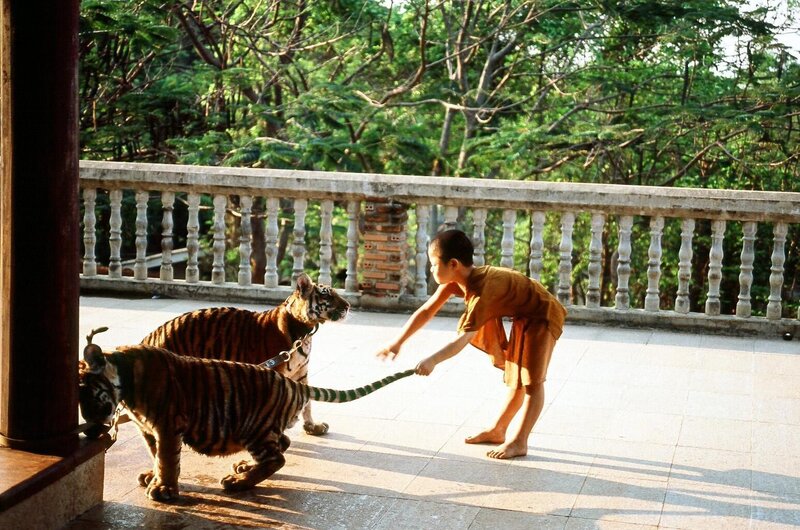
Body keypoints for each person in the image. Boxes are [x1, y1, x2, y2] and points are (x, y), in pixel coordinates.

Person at [377, 229, 567, 459]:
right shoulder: (457, 281)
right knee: (516, 378)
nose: (431, 269)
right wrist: (398, 342)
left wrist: (433, 360)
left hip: (543, 314)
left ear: (453, 264)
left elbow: (463, 340)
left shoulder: (482, 293)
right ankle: (498, 430)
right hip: (524, 314)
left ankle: (519, 441)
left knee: (532, 382)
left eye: (434, 264)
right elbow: (427, 311)